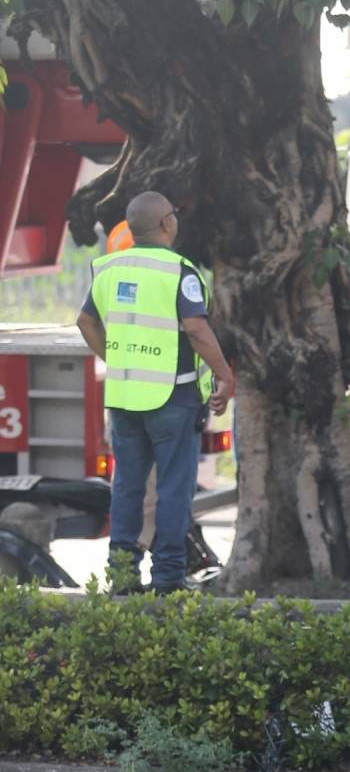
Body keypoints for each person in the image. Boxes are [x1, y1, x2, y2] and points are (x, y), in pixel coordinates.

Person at [76, 190, 234, 594]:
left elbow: (85, 322)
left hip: (124, 399)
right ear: (166, 223)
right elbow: (196, 329)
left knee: (126, 487)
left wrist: (115, 359)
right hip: (173, 399)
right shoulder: (180, 272)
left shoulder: (109, 268)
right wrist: (225, 375)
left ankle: (123, 577)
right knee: (173, 490)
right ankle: (167, 578)